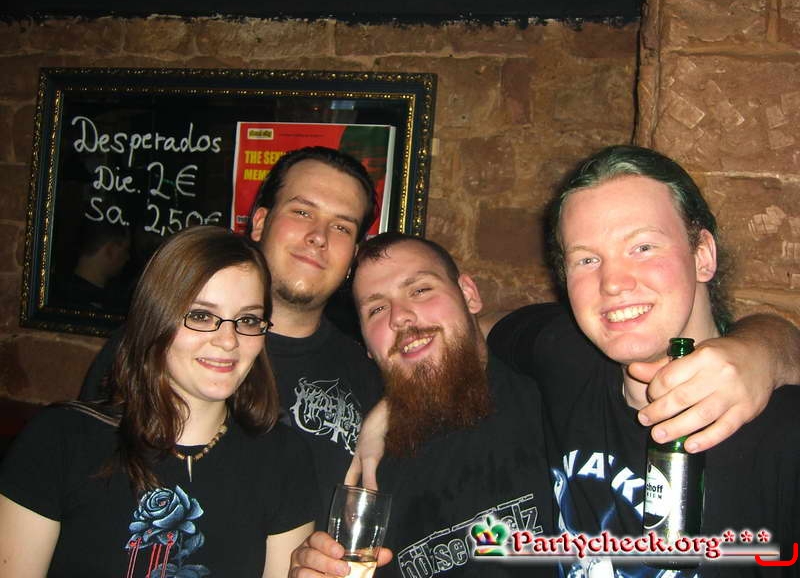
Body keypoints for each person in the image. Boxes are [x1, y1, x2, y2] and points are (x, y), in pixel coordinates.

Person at [488, 145, 800, 576]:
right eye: (587, 259)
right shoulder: (563, 353)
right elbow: (470, 328)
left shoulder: (783, 436)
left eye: (642, 247)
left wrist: (772, 349)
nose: (612, 283)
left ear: (702, 255)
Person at [79, 146, 384, 527]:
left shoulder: (366, 377)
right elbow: (85, 488)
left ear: (354, 254)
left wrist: (393, 407)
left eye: (341, 227)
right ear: (260, 223)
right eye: (302, 212)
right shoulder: (160, 342)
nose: (319, 237)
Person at [0, 225, 317, 577]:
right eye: (201, 315)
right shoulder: (60, 441)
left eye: (247, 319)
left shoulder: (285, 461)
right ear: (155, 318)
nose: (228, 340)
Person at [292, 232, 555, 578]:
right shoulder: (365, 476)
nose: (399, 317)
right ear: (366, 344)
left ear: (469, 294)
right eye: (377, 309)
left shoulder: (553, 393)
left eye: (420, 290)